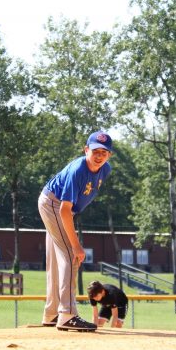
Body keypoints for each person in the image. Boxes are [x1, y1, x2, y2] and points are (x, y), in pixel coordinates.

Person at [38, 130, 114, 331]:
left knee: (56, 260)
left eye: (104, 153)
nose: (99, 156)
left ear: (109, 156)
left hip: (58, 208)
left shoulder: (106, 170)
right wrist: (76, 245)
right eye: (95, 151)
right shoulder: (78, 169)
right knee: (72, 255)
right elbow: (64, 209)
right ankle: (67, 314)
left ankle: (52, 313)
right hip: (55, 206)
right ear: (86, 149)